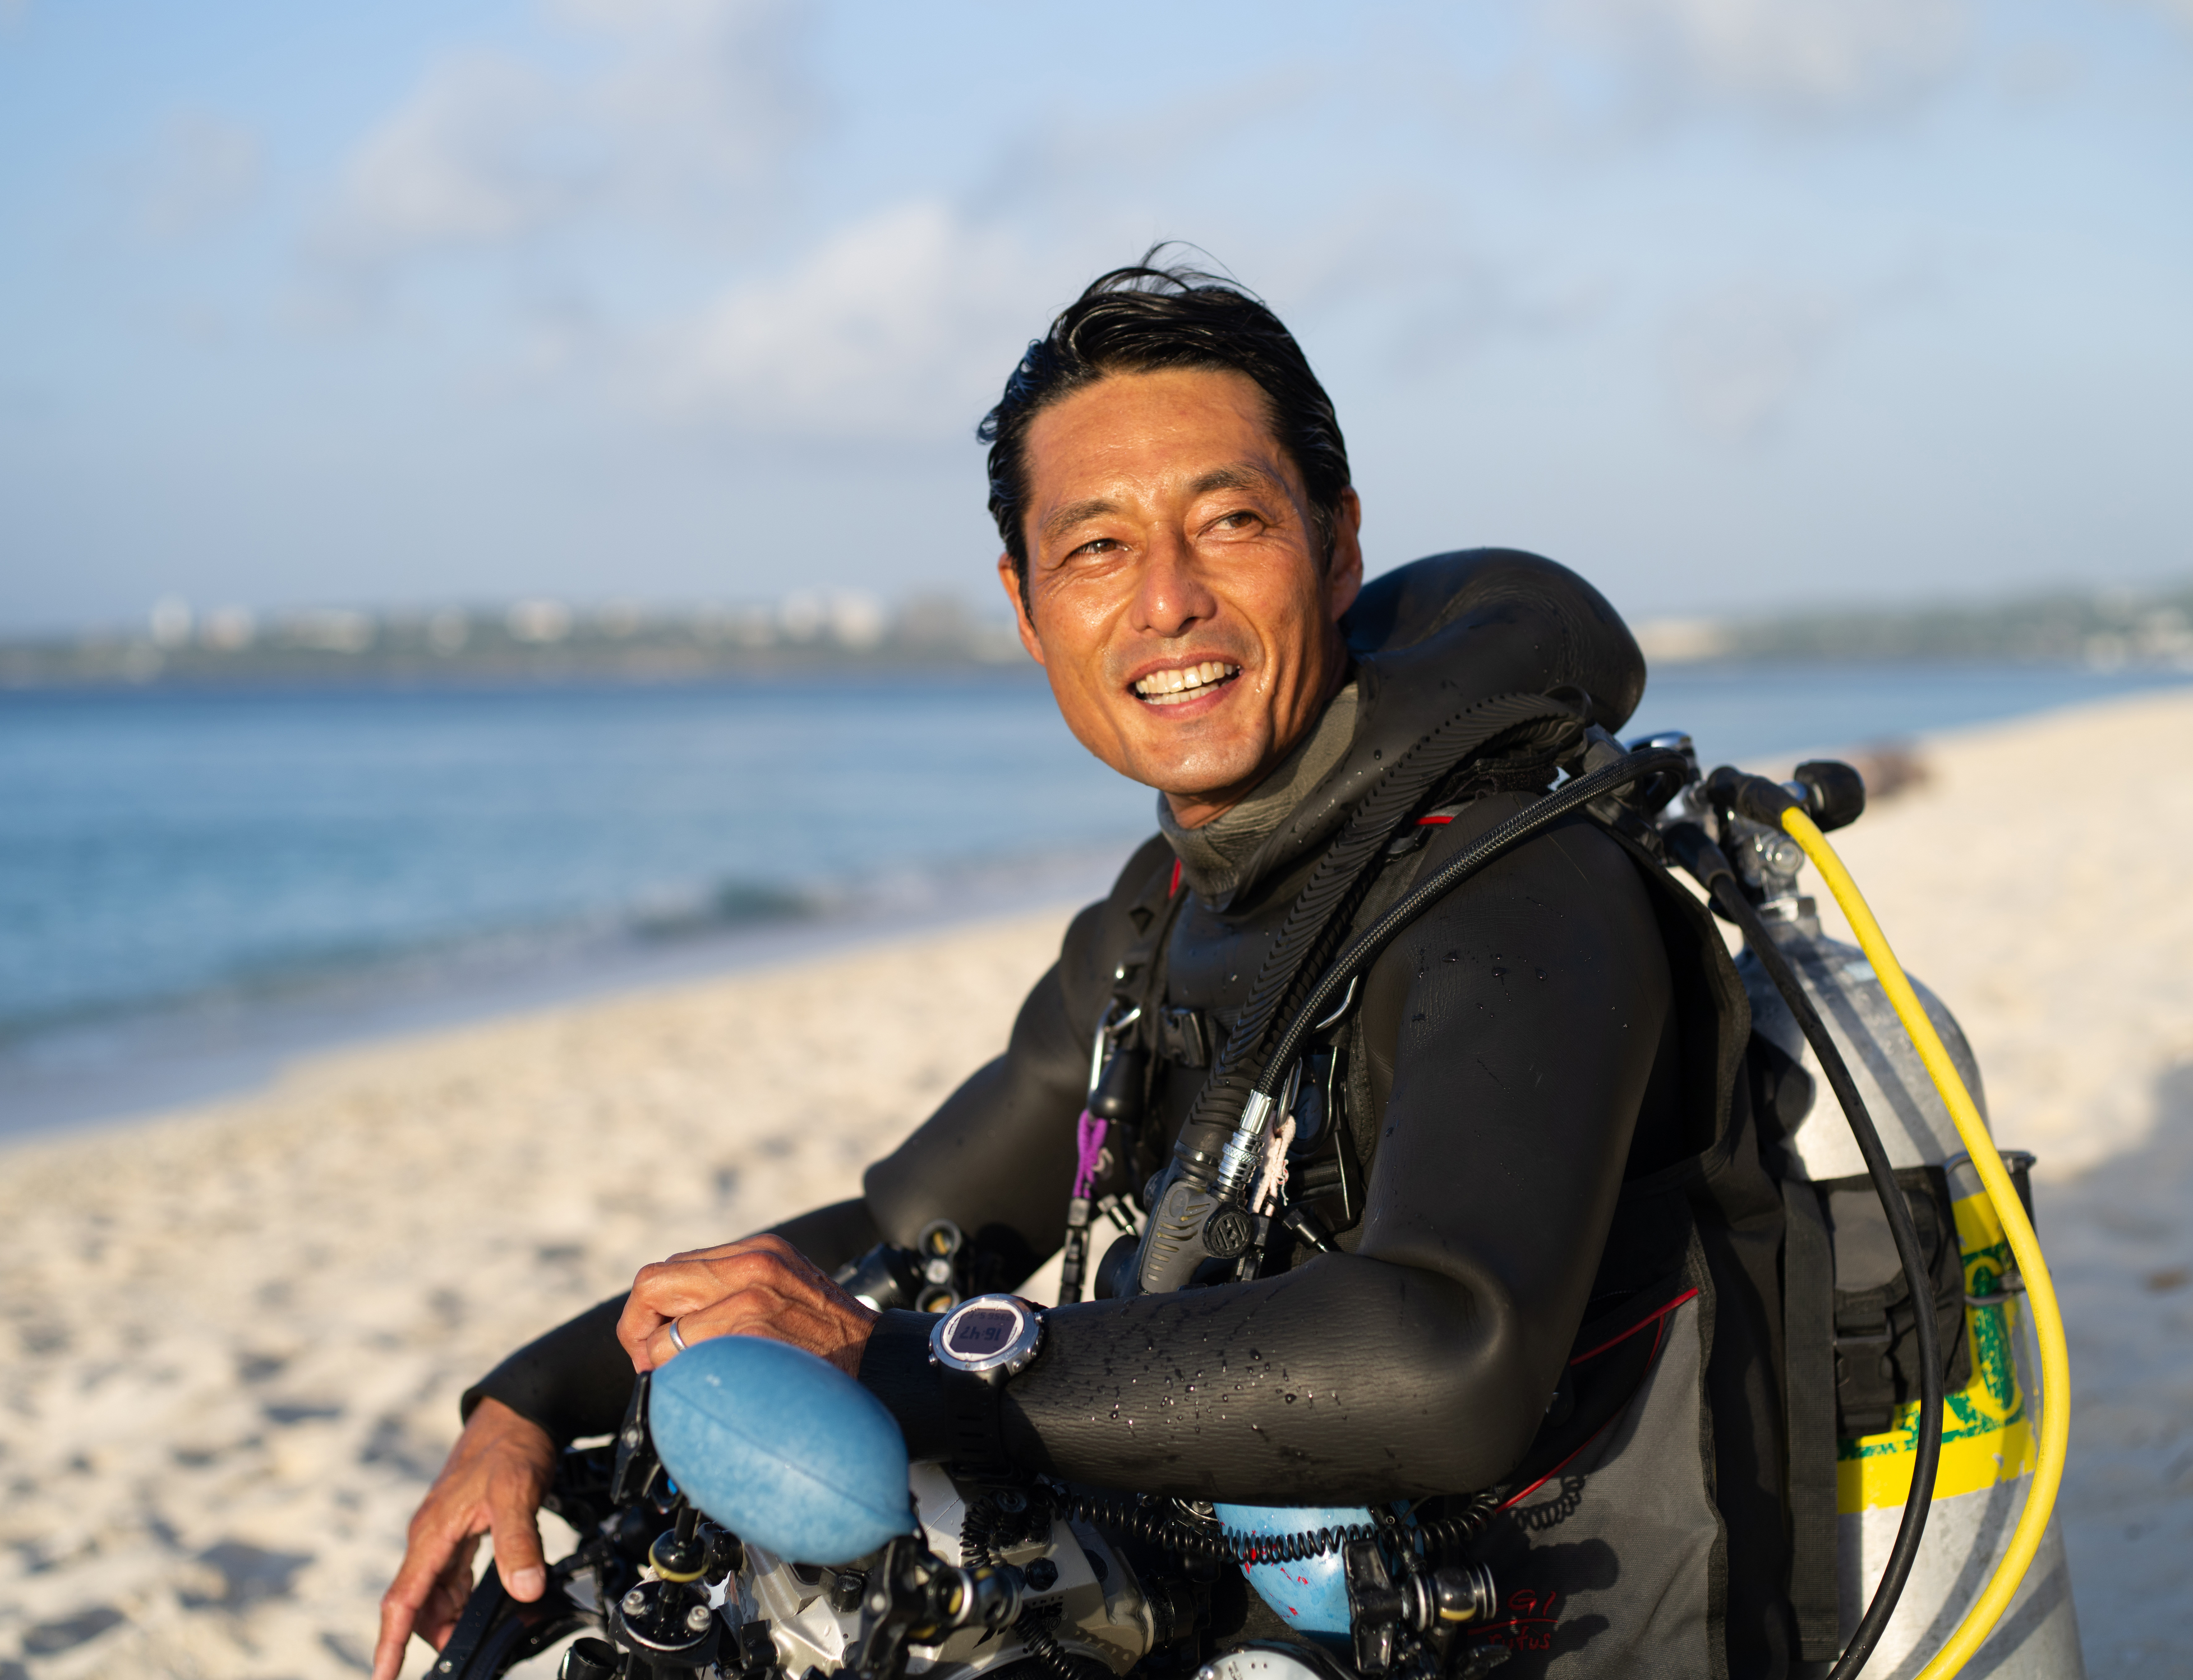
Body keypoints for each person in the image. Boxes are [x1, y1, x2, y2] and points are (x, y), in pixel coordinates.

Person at [373, 258, 1791, 1680]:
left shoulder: (1517, 885)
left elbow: (1447, 1355)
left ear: (1337, 546)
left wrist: (902, 1366)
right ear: (1025, 599)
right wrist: (529, 1403)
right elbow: (912, 1222)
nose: (1167, 601)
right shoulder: (1162, 910)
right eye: (1097, 548)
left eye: (1228, 521)